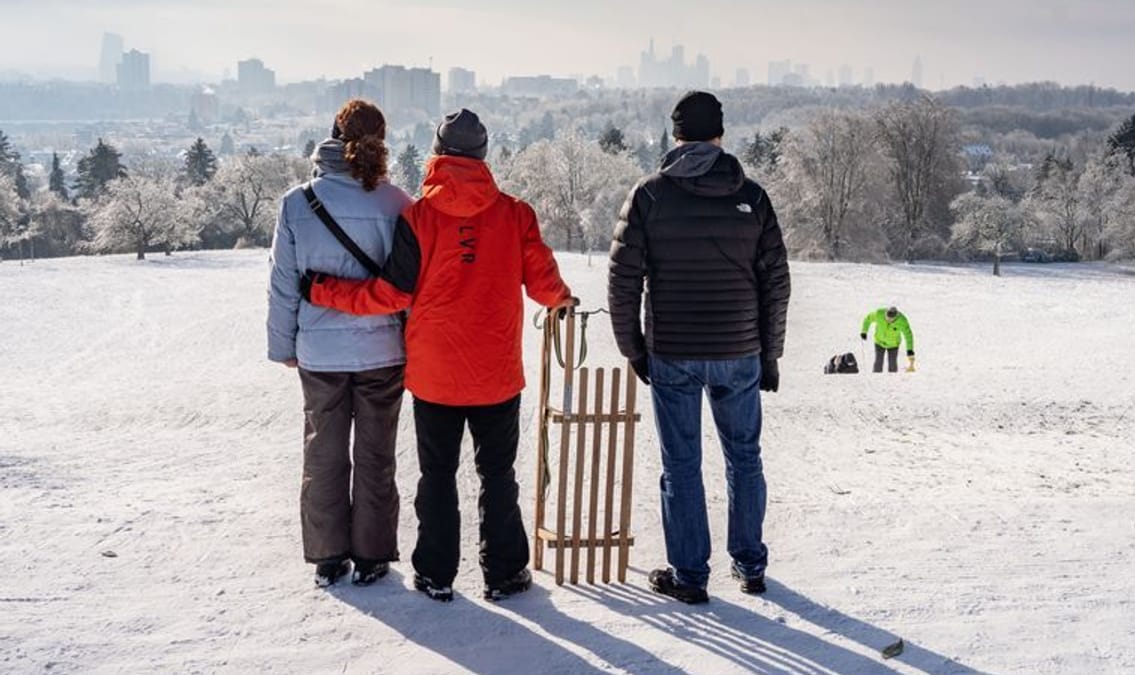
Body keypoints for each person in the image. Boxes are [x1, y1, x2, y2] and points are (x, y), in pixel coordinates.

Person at [301, 109, 575, 602]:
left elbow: (391, 295)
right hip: (496, 375)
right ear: (483, 155)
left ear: (438, 155)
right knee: (498, 475)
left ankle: (435, 572)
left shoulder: (418, 217)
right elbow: (544, 285)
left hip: (434, 375)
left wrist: (324, 292)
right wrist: (565, 300)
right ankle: (506, 573)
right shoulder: (515, 214)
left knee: (438, 475)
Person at [608, 91, 791, 604]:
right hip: (740, 350)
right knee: (745, 457)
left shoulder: (648, 195)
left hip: (674, 351)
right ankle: (750, 564)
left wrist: (634, 349)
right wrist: (768, 354)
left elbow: (624, 279)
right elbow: (776, 280)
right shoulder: (752, 197)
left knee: (682, 464)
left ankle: (690, 576)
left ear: (676, 136)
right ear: (721, 135)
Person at [266, 99, 414, 588]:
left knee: (323, 452)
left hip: (320, 352)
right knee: (377, 454)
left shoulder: (297, 203)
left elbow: (284, 283)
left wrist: (283, 344)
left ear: (331, 137)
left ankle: (329, 555)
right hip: (383, 352)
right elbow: (414, 286)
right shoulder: (398, 204)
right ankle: (372, 556)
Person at [860, 306, 915, 373]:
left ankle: (892, 380)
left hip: (893, 344)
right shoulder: (879, 314)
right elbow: (868, 319)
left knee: (892, 364)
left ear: (895, 317)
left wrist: (910, 349)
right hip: (879, 342)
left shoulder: (902, 321)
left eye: (890, 319)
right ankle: (876, 378)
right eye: (887, 317)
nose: (888, 320)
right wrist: (864, 331)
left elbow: (908, 335)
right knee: (878, 362)